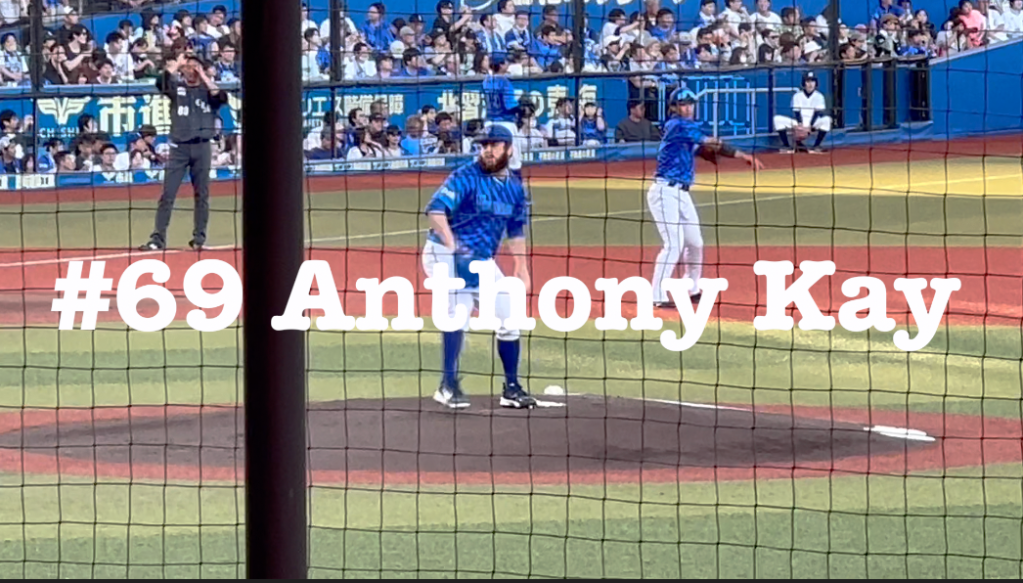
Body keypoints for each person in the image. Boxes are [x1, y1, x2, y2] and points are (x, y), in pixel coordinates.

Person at [421, 125, 535, 410]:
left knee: (509, 317)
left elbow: (516, 229)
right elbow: (436, 210)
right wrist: (451, 243)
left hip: (482, 260)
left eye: (494, 145)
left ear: (509, 149)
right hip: (443, 253)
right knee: (458, 313)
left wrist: (521, 267)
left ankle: (511, 388)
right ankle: (447, 385)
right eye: (484, 145)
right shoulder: (466, 176)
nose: (487, 150)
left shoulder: (514, 188)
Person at [648, 88, 761, 309]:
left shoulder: (688, 128)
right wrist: (742, 155)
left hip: (681, 193)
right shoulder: (677, 125)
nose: (688, 108)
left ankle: (691, 288)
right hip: (664, 191)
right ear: (674, 108)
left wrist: (711, 155)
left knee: (695, 242)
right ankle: (657, 295)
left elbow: (701, 149)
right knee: (673, 244)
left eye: (690, 103)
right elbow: (713, 143)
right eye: (683, 104)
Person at [139, 54, 228, 251]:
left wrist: (203, 75)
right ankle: (157, 239)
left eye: (195, 67)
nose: (191, 70)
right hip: (179, 148)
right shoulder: (177, 89)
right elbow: (160, 82)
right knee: (168, 194)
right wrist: (177, 64)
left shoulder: (207, 91)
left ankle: (199, 239)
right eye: (188, 67)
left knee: (202, 195)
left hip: (202, 147)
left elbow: (222, 97)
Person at [773, 71, 832, 154]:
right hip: (799, 122)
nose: (810, 84)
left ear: (816, 83)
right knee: (777, 119)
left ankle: (816, 146)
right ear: (804, 83)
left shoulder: (819, 96)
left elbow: (817, 113)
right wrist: (800, 126)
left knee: (827, 120)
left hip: (813, 122)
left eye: (813, 81)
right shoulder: (797, 95)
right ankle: (787, 146)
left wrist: (810, 127)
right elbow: (797, 112)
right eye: (808, 81)